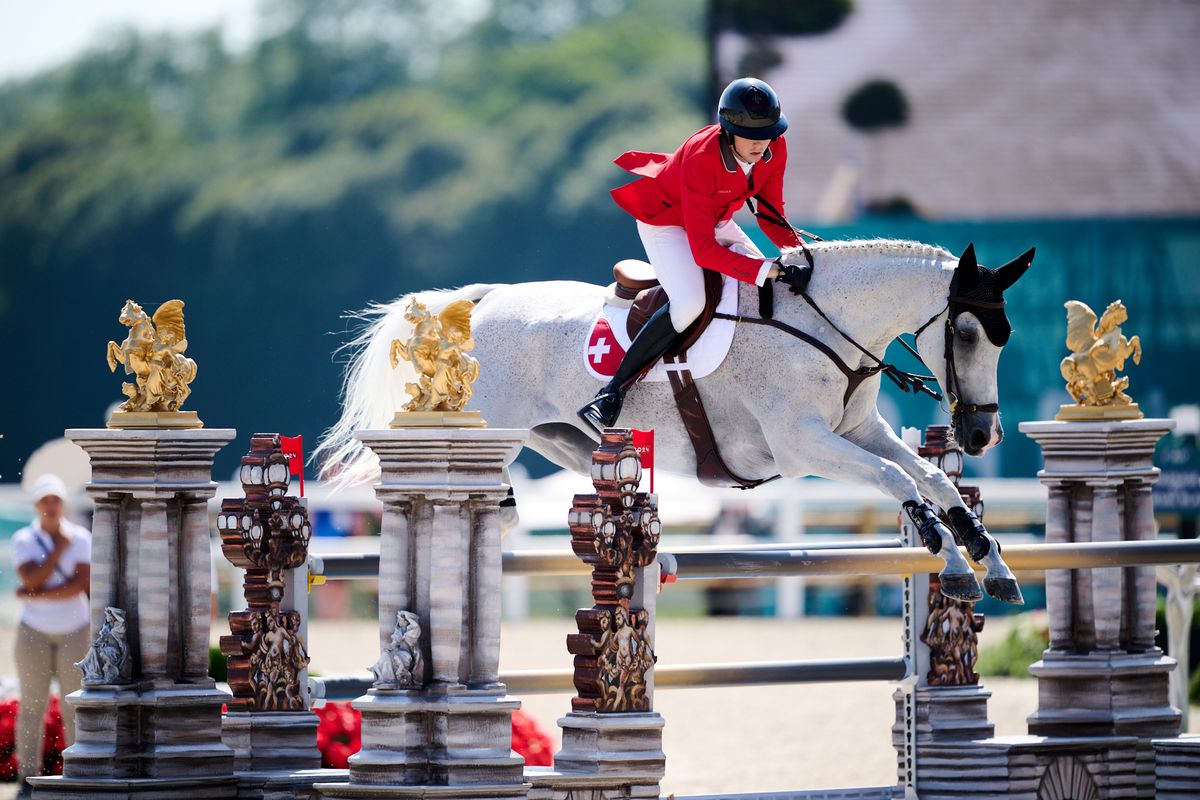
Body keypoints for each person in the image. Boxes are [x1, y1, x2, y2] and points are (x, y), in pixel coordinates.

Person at [578, 77, 813, 432]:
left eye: (768, 133)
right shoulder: (702, 156)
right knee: (690, 303)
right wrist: (767, 269)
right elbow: (704, 251)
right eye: (751, 136)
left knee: (763, 288)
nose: (761, 143)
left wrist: (798, 255)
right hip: (667, 223)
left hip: (714, 219)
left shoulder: (774, 147)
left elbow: (770, 214)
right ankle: (611, 393)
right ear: (729, 131)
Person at [11, 474, 91, 798]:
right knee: (32, 705)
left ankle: (75, 773)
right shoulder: (24, 539)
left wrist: (33, 594)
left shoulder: (82, 538)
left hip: (75, 628)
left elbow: (78, 586)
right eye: (46, 500)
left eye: (56, 499)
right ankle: (27, 777)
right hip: (34, 631)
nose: (51, 506)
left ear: (63, 504)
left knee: (75, 704)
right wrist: (58, 549)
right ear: (37, 505)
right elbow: (31, 577)